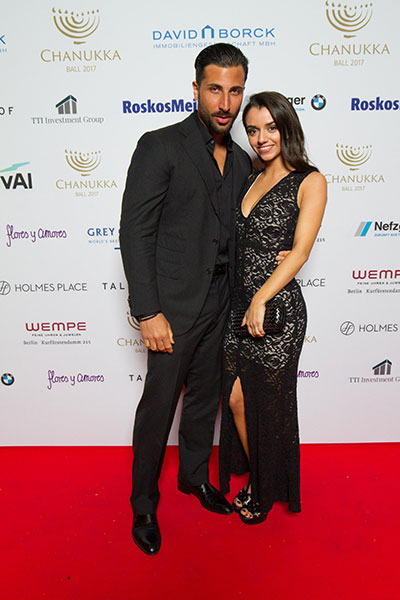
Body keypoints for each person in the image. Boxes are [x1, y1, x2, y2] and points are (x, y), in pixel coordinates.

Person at [119, 43, 252, 555]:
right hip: (171, 306)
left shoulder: (241, 161)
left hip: (222, 301)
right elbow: (136, 232)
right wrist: (148, 310)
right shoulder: (160, 145)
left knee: (204, 399)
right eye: (215, 89)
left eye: (234, 91)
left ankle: (194, 476)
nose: (225, 102)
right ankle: (143, 504)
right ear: (196, 89)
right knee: (158, 408)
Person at [219, 91, 327, 524]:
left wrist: (261, 298)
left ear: (287, 128)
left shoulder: (310, 180)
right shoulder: (250, 177)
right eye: (252, 130)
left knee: (272, 405)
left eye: (270, 127)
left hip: (277, 310)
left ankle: (262, 488)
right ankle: (263, 475)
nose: (261, 138)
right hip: (238, 308)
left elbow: (300, 251)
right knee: (236, 399)